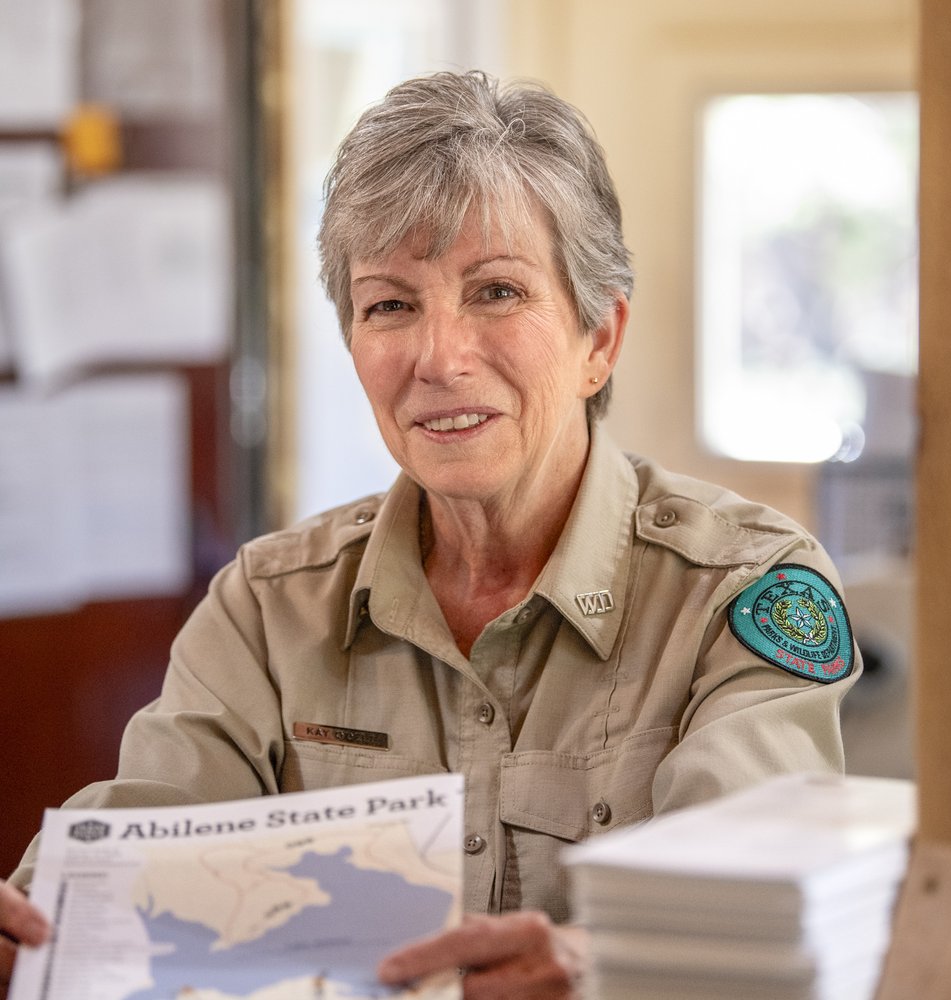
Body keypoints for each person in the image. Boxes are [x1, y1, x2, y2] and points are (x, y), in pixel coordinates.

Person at [2, 70, 860, 998]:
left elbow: (754, 929)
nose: (439, 359)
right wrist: (43, 938)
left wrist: (596, 965)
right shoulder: (266, 607)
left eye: (496, 291)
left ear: (598, 340)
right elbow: (142, 857)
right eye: (390, 305)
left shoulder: (743, 590)